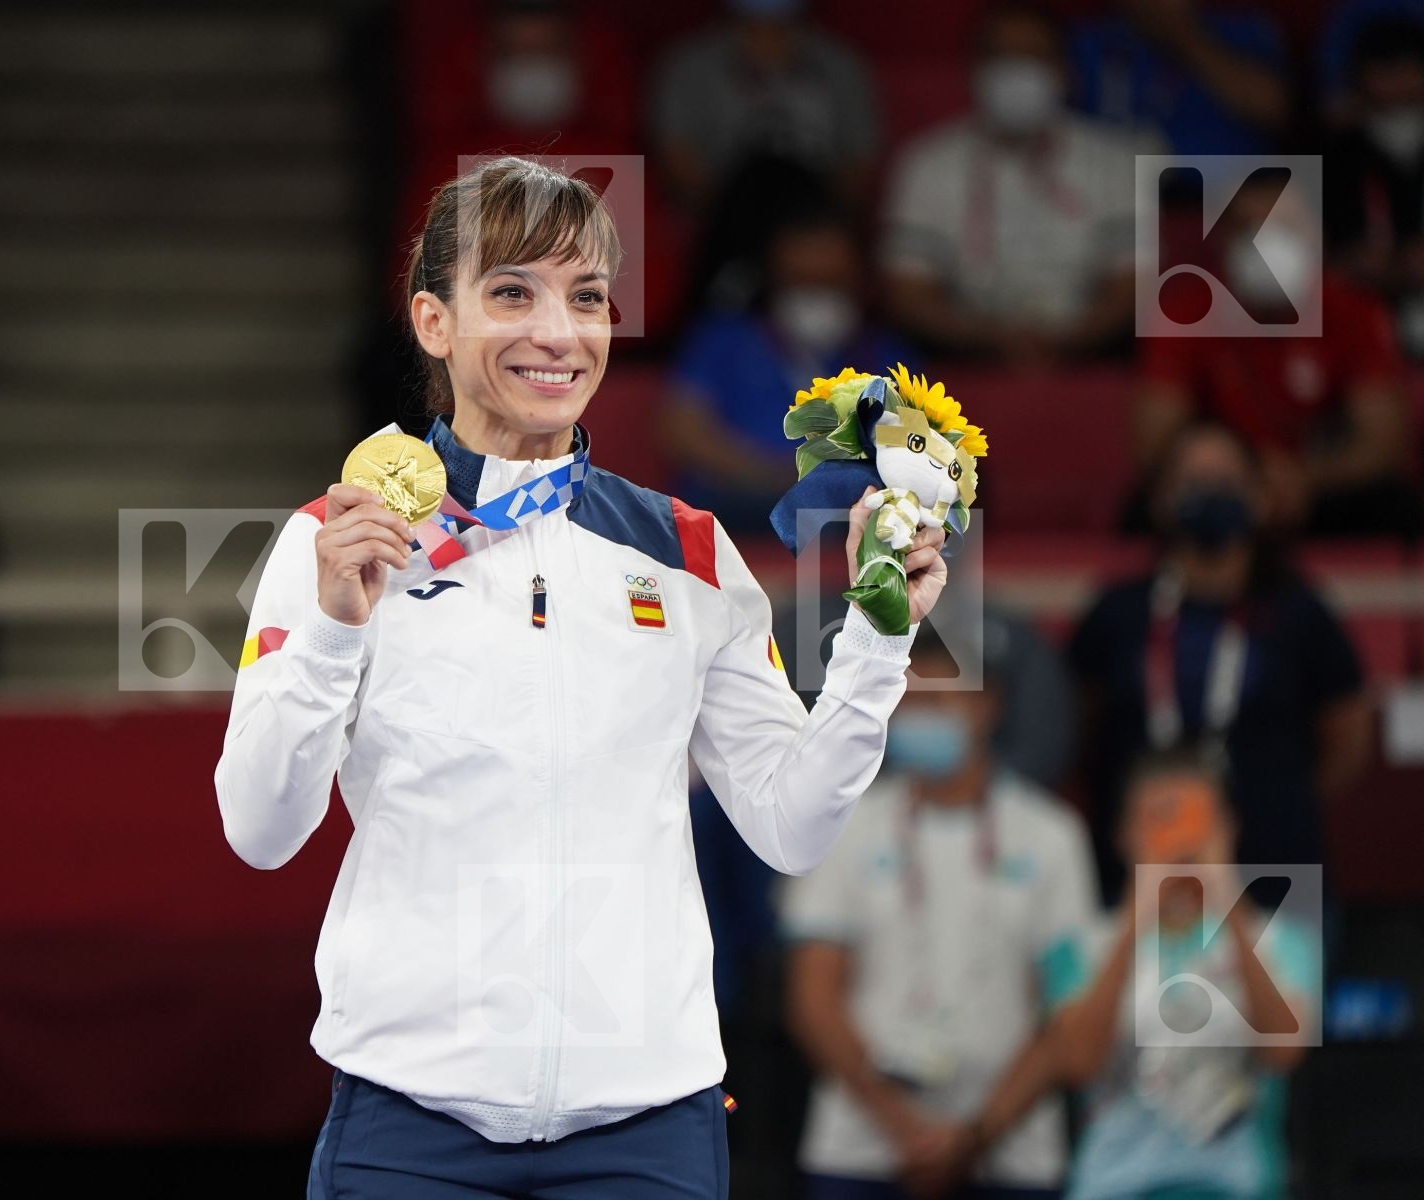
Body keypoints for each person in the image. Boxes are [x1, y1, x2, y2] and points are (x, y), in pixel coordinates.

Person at [213, 156, 950, 1199]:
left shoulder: (688, 553)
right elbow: (261, 828)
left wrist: (876, 644)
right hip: (408, 1119)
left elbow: (793, 828)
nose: (557, 333)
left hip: (645, 1128)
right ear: (434, 322)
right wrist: (336, 631)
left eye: (587, 297)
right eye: (512, 292)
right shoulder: (340, 541)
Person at [781, 627, 1097, 1200]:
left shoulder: (1052, 837)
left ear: (987, 704)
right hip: (860, 1147)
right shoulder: (846, 827)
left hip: (1013, 1152)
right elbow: (813, 998)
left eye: (938, 699)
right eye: (907, 701)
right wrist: (904, 1128)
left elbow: (1068, 1013)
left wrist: (973, 1137)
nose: (919, 715)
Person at [967, 752, 1318, 1200]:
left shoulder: (1281, 939)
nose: (1178, 841)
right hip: (1113, 1185)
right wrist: (1137, 918)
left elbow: (1283, 1052)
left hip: (1237, 1185)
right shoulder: (1082, 946)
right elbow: (1076, 1063)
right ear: (1125, 835)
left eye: (1194, 821)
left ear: (1227, 829)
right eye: (1159, 822)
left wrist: (1226, 895)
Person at [1070, 424, 1374, 907]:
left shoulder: (1300, 612)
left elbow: (1348, 738)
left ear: (1259, 498)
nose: (1211, 494)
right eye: (1192, 481)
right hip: (1135, 874)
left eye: (1227, 481)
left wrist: (1275, 793)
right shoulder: (1118, 612)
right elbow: (1080, 728)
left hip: (1274, 870)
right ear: (1160, 498)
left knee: (1275, 986)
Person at [1136, 169, 1422, 537]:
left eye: (1285, 228)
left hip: (1323, 487)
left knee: (1396, 507)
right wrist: (1243, 476)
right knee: (1147, 512)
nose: (1268, 246)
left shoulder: (1356, 312)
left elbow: (1384, 443)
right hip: (1223, 488)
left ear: (1316, 235)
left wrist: (1305, 475)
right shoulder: (1184, 312)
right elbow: (1154, 445)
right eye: (1251, 230)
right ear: (1223, 240)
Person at [879, 1, 1155, 364]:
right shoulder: (925, 164)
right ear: (973, 69)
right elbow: (908, 291)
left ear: (1064, 71)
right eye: (1002, 56)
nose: (1017, 71)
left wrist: (1067, 343)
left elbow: (1133, 284)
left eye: (1033, 56)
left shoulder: (1115, 162)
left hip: (1089, 356)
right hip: (965, 359)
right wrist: (991, 341)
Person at [666, 198, 912, 535]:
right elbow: (684, 431)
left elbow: (915, 449)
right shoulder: (723, 341)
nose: (815, 297)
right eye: (800, 282)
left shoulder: (886, 355)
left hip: (847, 521)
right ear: (773, 281)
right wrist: (776, 476)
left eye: (830, 283)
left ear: (860, 283)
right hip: (736, 512)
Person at [650, 0, 881, 219]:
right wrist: (738, 220)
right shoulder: (687, 66)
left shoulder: (841, 65)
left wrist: (812, 223)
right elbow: (679, 161)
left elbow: (858, 163)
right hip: (721, 225)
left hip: (815, 225)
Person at [1324, 14, 1424, 358]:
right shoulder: (1335, 158)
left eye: (1408, 70)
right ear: (1357, 81)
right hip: (1368, 315)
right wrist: (1352, 264)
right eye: (1384, 73)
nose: (1398, 86)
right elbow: (1310, 255)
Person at [1068, 0, 1290, 157]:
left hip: (1228, 194)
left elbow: (1275, 110)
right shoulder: (1091, 41)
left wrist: (1180, 35)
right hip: (1117, 195)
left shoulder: (1243, 29)